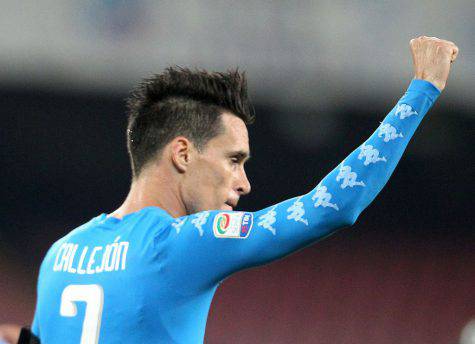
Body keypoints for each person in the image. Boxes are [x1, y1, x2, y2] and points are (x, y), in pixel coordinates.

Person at [17, 36, 457, 344]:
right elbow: (329, 207)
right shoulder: (180, 244)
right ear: (183, 154)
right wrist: (422, 91)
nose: (244, 183)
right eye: (233, 160)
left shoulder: (61, 254)